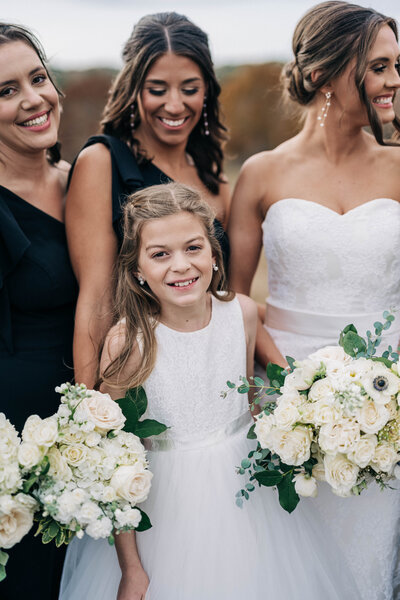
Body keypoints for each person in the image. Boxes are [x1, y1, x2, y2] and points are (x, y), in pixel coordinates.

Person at [59, 182, 360, 600]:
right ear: (137, 272)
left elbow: (253, 407)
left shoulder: (241, 313)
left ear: (214, 256)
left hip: (247, 500)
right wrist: (131, 567)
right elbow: (113, 462)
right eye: (160, 254)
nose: (180, 265)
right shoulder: (130, 342)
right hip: (166, 508)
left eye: (193, 247)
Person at [228, 2, 400, 598]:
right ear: (325, 73)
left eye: (396, 66)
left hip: (391, 402)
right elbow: (233, 301)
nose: (394, 81)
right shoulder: (261, 173)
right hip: (287, 404)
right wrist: (290, 386)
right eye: (378, 67)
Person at [66, 12, 230, 388]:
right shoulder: (102, 162)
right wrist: (88, 418)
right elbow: (96, 301)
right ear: (133, 90)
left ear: (207, 90)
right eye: (157, 89)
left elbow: (225, 293)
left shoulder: (215, 178)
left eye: (189, 89)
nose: (174, 105)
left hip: (211, 376)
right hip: (135, 380)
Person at [0, 23, 77, 600]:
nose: (32, 99)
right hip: (17, 438)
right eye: (5, 91)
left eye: (37, 77)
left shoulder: (88, 181)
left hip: (101, 424)